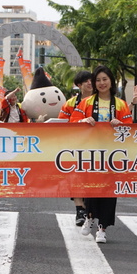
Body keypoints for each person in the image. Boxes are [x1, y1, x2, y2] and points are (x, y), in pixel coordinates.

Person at [70, 65, 134, 244]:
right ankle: (90, 217)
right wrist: (84, 120)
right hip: (91, 153)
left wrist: (119, 123)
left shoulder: (120, 104)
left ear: (111, 81)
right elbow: (73, 121)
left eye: (104, 79)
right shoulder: (87, 102)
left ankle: (102, 228)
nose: (101, 83)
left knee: (108, 191)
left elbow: (129, 127)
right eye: (97, 80)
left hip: (112, 155)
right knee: (91, 188)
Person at [58, 70, 93, 226]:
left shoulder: (103, 102)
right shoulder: (70, 104)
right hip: (75, 147)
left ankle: (88, 208)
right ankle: (80, 209)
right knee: (76, 177)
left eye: (91, 80)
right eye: (86, 81)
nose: (90, 83)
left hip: (98, 147)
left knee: (91, 179)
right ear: (79, 85)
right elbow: (61, 124)